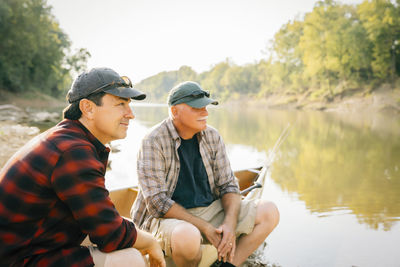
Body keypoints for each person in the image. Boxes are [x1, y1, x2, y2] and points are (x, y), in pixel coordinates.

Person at [0, 67, 165, 267]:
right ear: (88, 108)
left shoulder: (67, 138)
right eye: (121, 104)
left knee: (128, 238)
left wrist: (135, 234)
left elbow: (99, 216)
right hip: (18, 259)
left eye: (129, 105)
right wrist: (152, 242)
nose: (130, 114)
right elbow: (110, 233)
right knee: (129, 260)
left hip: (31, 244)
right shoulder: (73, 151)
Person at [131, 81, 280, 267]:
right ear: (175, 112)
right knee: (187, 235)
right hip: (166, 219)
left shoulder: (212, 136)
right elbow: (157, 203)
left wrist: (230, 225)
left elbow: (228, 186)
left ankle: (228, 264)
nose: (206, 113)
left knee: (269, 211)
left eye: (206, 107)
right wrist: (205, 228)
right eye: (197, 108)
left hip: (209, 210)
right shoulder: (153, 141)